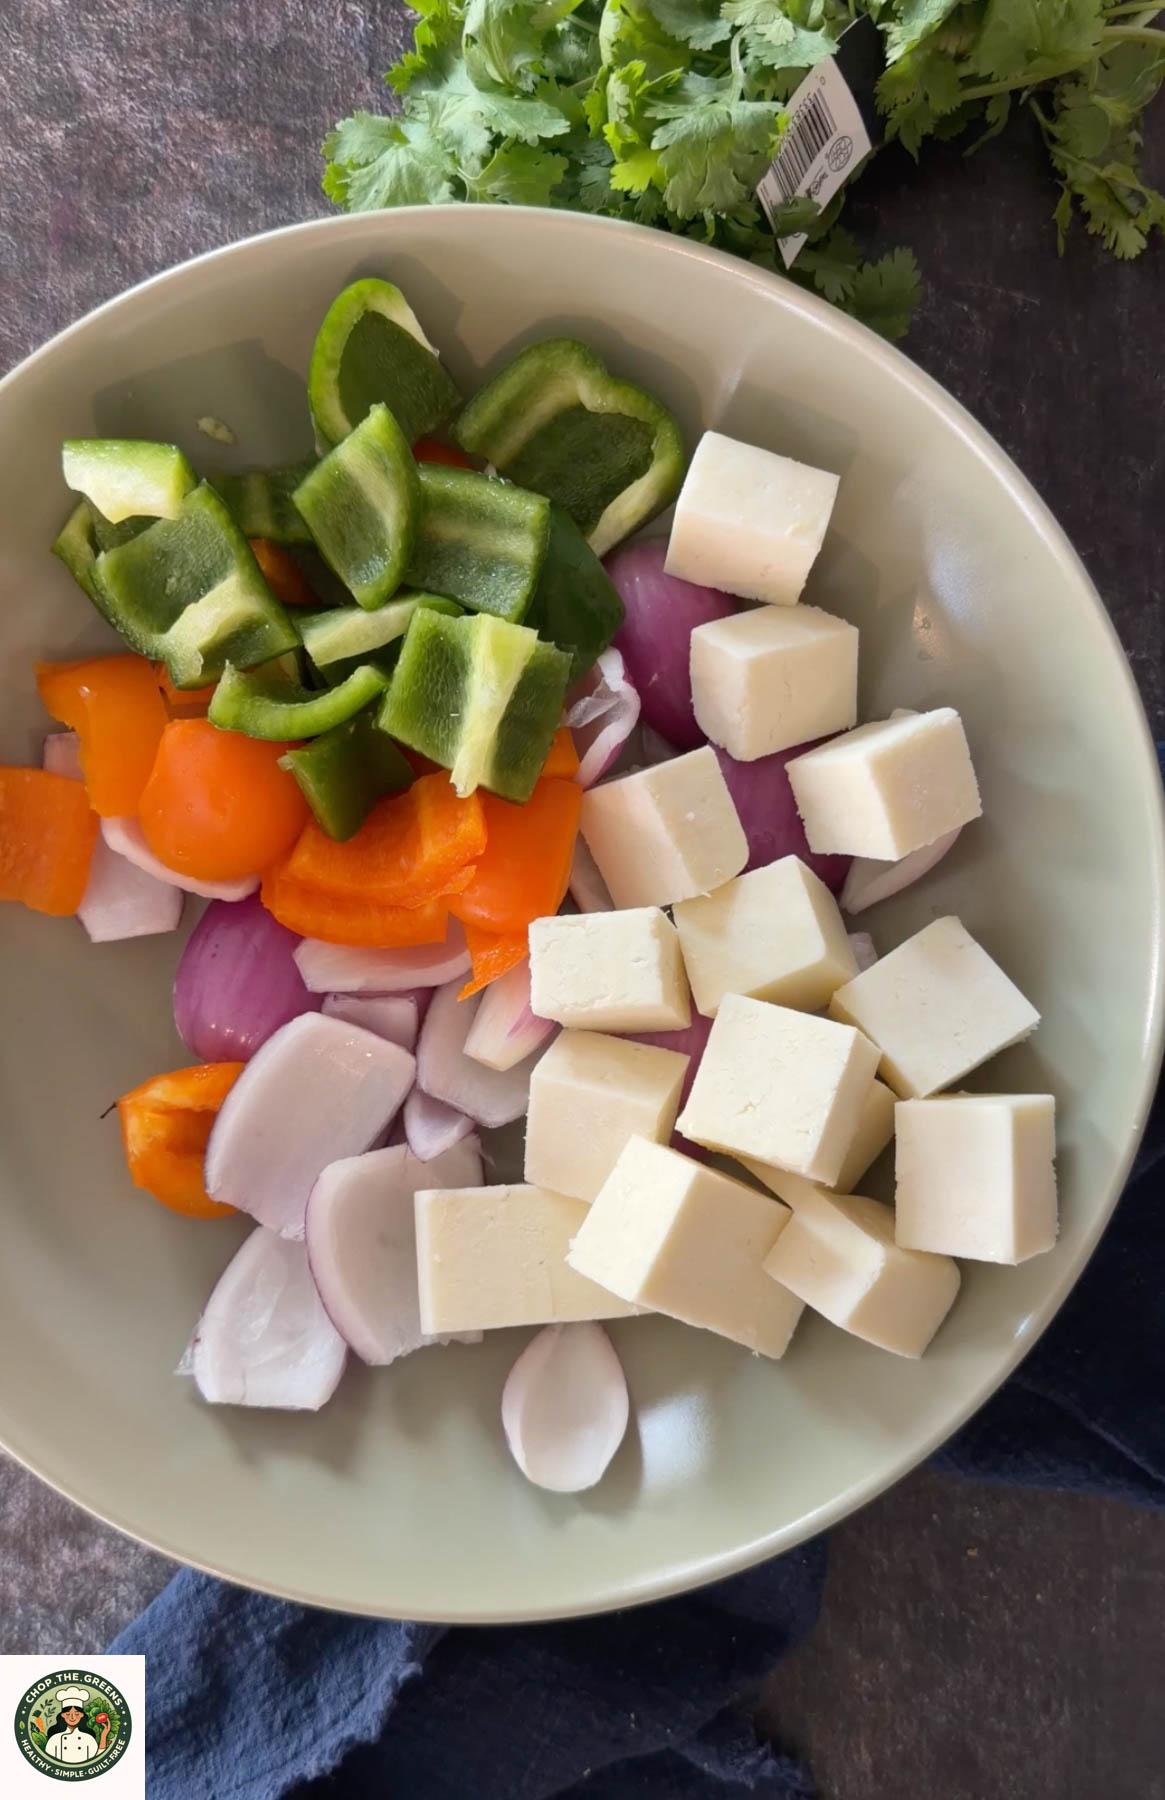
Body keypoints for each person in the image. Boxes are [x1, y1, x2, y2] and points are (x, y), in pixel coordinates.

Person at [44, 1686, 109, 1765]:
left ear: (82, 1715)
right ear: (62, 1715)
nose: (72, 1717)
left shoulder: (88, 1738)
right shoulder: (55, 1739)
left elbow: (97, 1761)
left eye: (77, 1714)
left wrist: (103, 1736)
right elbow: (48, 1762)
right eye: (68, 1714)